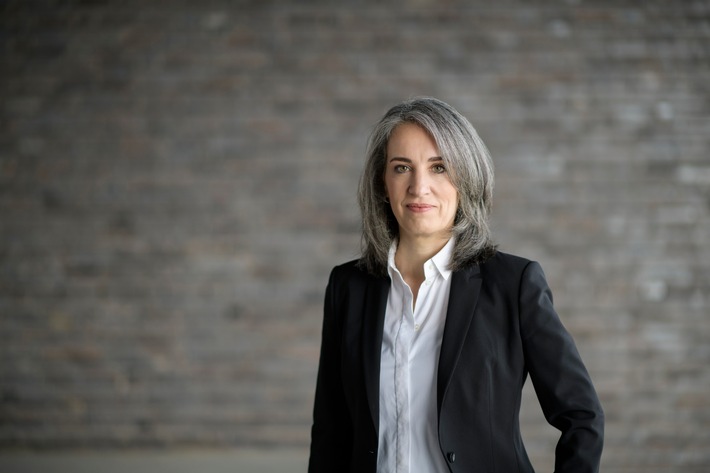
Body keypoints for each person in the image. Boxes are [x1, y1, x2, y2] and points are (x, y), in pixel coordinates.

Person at [308, 97, 604, 473]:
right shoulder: (348, 288)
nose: (419, 187)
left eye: (439, 168)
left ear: (466, 178)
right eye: (402, 168)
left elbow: (583, 416)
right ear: (383, 183)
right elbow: (331, 433)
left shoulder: (513, 285)